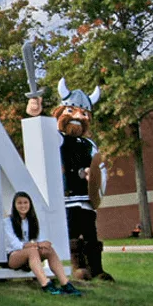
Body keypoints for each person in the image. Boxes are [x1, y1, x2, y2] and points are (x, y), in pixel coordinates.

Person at [26, 78, 114, 281]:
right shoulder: (57, 137)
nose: (77, 117)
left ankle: (97, 269)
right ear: (61, 112)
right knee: (73, 233)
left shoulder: (89, 143)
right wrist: (34, 113)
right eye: (71, 111)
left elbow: (99, 166)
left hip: (86, 197)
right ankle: (79, 267)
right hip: (66, 196)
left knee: (90, 233)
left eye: (83, 113)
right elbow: (39, 134)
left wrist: (95, 178)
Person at [2, 192, 81, 296]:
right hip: (13, 257)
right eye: (19, 203)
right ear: (14, 205)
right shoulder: (8, 221)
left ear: (30, 204)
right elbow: (16, 245)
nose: (23, 206)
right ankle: (46, 284)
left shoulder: (32, 220)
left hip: (31, 255)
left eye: (25, 202)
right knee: (32, 250)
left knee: (49, 250)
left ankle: (66, 284)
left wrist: (43, 244)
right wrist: (38, 244)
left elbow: (41, 239)